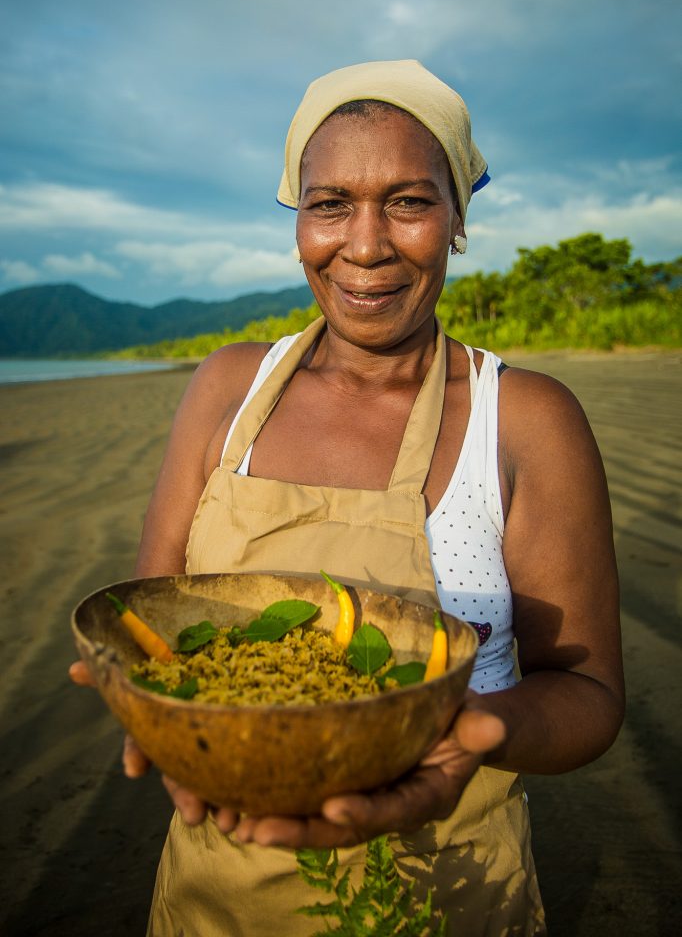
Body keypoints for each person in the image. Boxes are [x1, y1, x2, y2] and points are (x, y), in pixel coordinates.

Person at [71, 59, 624, 936]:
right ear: (299, 223)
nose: (365, 245)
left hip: (450, 889)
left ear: (456, 220)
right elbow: (155, 624)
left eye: (409, 201)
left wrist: (468, 731)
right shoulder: (228, 391)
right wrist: (153, 709)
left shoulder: (524, 421)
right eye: (330, 204)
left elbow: (589, 689)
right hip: (221, 890)